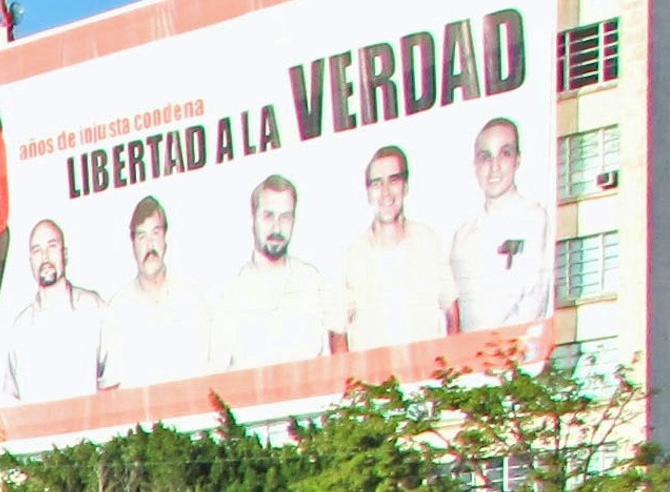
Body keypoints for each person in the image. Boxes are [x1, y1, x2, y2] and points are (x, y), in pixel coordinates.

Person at [207, 175, 347, 371]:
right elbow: (216, 379)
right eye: (268, 215)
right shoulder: (230, 295)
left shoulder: (313, 281)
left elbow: (341, 364)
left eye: (285, 217)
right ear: (253, 219)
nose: (276, 227)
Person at [342, 144, 455, 350]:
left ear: (406, 186)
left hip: (426, 374)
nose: (386, 193)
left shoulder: (427, 240)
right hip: (375, 379)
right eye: (377, 184)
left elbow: (451, 305)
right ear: (368, 193)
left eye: (393, 180)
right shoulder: (353, 255)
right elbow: (337, 327)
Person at [450, 115, 555, 330]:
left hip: (513, 355)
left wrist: (507, 357)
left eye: (505, 154)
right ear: (475, 165)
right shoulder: (463, 235)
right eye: (485, 157)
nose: (494, 167)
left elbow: (535, 297)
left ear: (517, 160)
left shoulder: (533, 217)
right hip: (468, 359)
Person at [0, 220, 109, 403]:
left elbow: (116, 382)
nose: (45, 257)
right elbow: (12, 401)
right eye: (37, 250)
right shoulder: (20, 329)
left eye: (52, 246)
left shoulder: (94, 309)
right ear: (30, 262)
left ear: (65, 254)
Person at [102, 195, 202, 388]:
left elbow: (205, 376)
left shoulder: (191, 299)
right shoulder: (118, 309)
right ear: (133, 246)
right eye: (142, 236)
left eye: (155, 233)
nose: (150, 245)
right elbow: (113, 387)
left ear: (165, 239)